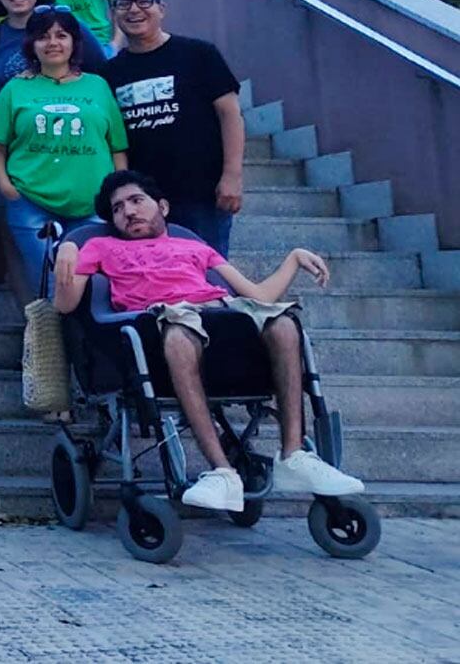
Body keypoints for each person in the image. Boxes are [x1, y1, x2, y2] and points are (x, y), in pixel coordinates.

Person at [53, 171, 363, 511]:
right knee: (180, 331)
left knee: (283, 323)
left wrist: (293, 259)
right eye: (117, 208)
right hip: (163, 323)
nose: (128, 212)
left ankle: (293, 454)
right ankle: (222, 471)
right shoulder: (99, 246)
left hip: (221, 315)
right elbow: (65, 305)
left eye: (136, 201)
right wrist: (69, 247)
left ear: (164, 207)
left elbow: (259, 294)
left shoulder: (194, 246)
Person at [0, 6, 128, 298]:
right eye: (43, 36)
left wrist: (117, 191)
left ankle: (86, 344)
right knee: (48, 285)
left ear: (74, 42)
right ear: (32, 45)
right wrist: (6, 187)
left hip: (92, 205)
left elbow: (117, 147)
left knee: (91, 285)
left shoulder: (97, 86)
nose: (52, 43)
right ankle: (50, 343)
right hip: (31, 203)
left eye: (61, 35)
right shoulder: (15, 89)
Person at [103, 0, 244, 257]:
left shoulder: (199, 54)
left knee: (206, 281)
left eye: (145, 2)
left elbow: (230, 115)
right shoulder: (109, 73)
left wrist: (232, 175)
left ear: (162, 9)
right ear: (114, 13)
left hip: (201, 193)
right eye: (124, 4)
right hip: (142, 202)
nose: (134, 10)